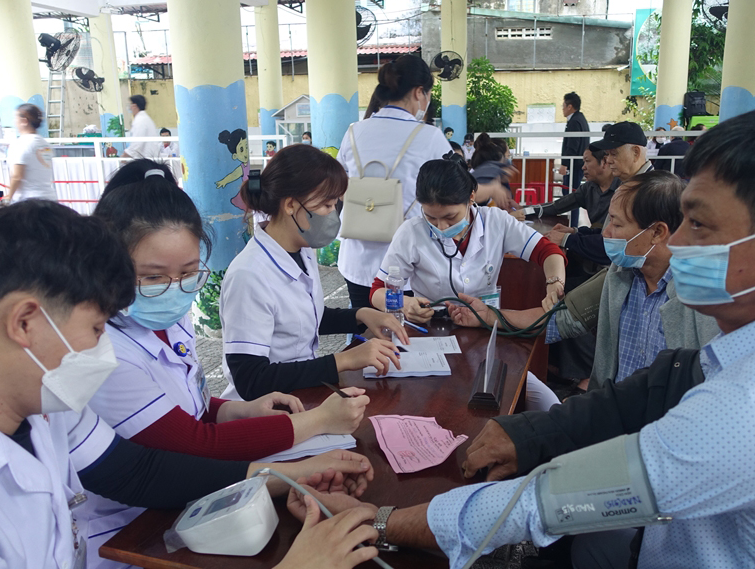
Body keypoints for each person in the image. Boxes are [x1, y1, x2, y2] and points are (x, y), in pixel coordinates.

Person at [291, 104, 755, 569]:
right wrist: (524, 434)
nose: (675, 244)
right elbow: (663, 380)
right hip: (689, 562)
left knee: (555, 530)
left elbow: (546, 502)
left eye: (700, 226)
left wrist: (376, 523)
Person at [0, 200, 380, 569]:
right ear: (25, 322)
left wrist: (286, 477)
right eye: (99, 327)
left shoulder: (38, 394)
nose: (104, 347)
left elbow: (134, 471)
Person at [84, 160, 372, 569]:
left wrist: (235, 410)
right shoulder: (105, 354)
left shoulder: (167, 321)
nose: (175, 289)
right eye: (154, 277)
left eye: (188, 274)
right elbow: (192, 444)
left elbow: (189, 403)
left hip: (190, 502)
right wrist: (312, 431)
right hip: (129, 534)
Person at [452, 170, 719, 390]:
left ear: (657, 232)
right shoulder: (620, 275)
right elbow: (561, 319)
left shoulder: (704, 298)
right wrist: (488, 316)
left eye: (616, 223)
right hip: (612, 417)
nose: (606, 234)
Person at [367, 155, 568, 410]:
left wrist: (554, 283)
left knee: (544, 404)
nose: (440, 227)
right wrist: (405, 303)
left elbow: (548, 251)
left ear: (472, 196)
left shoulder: (496, 221)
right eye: (431, 218)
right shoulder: (411, 232)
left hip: (484, 333)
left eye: (450, 218)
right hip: (431, 337)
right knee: (437, 406)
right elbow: (377, 291)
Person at [219, 144, 408, 401]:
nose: (333, 215)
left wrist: (363, 315)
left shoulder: (302, 249)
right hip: (262, 410)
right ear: (290, 205)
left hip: (302, 395)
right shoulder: (249, 276)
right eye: (326, 205)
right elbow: (251, 380)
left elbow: (303, 320)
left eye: (335, 205)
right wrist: (342, 360)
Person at [336, 55, 509, 308]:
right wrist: (492, 188)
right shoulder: (429, 137)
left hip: (355, 261)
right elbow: (459, 191)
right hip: (406, 266)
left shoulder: (354, 131)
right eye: (428, 94)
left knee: (364, 329)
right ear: (419, 92)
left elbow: (338, 189)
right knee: (406, 337)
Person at [546, 121, 654, 267]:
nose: (608, 160)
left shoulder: (648, 192)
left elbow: (613, 246)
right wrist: (575, 232)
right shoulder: (629, 185)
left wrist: (567, 239)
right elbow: (608, 233)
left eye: (613, 154)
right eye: (607, 154)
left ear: (635, 153)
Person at [529, 146, 620, 229]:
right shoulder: (588, 189)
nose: (583, 167)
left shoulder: (624, 190)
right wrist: (525, 210)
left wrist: (571, 236)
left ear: (604, 162)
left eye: (587, 161)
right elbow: (557, 206)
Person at [4, 104, 56, 204]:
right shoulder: (45, 143)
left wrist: (9, 197)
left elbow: (17, 176)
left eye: (15, 118)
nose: (14, 122)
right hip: (49, 197)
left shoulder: (21, 143)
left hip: (29, 201)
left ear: (24, 121)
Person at [559, 92, 590, 226]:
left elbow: (573, 144)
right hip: (577, 164)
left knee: (571, 194)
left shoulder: (575, 121)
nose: (562, 108)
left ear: (570, 106)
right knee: (571, 193)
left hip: (574, 165)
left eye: (563, 105)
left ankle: (572, 225)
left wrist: (565, 164)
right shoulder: (579, 119)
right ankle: (572, 223)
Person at [122, 94, 160, 160]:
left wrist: (125, 156)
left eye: (131, 104)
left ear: (134, 106)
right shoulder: (144, 119)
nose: (130, 107)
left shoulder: (140, 121)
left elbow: (137, 144)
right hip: (147, 157)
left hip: (146, 158)